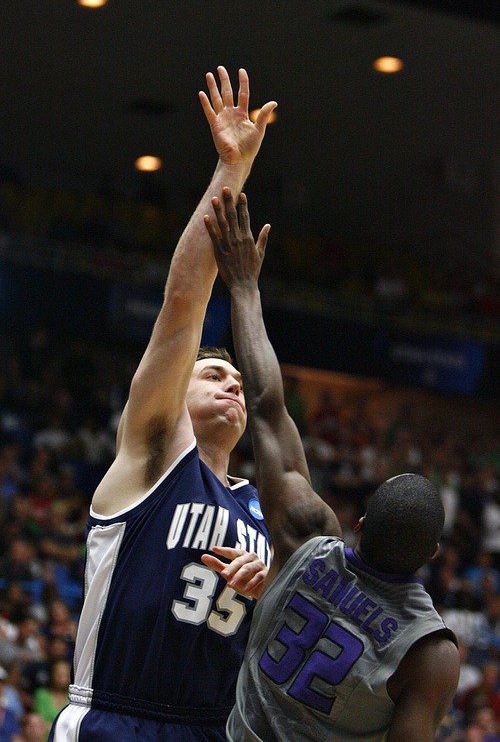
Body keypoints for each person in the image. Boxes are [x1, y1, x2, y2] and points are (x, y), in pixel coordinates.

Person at [48, 67, 277, 741]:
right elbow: (184, 305)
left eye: (235, 379)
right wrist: (230, 171)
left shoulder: (263, 510)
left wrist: (272, 589)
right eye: (213, 374)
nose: (233, 383)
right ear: (175, 394)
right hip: (116, 719)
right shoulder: (152, 452)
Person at [202, 189, 461, 742]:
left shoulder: (307, 538)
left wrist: (244, 286)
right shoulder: (429, 652)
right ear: (432, 556)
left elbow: (268, 407)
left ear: (360, 522)